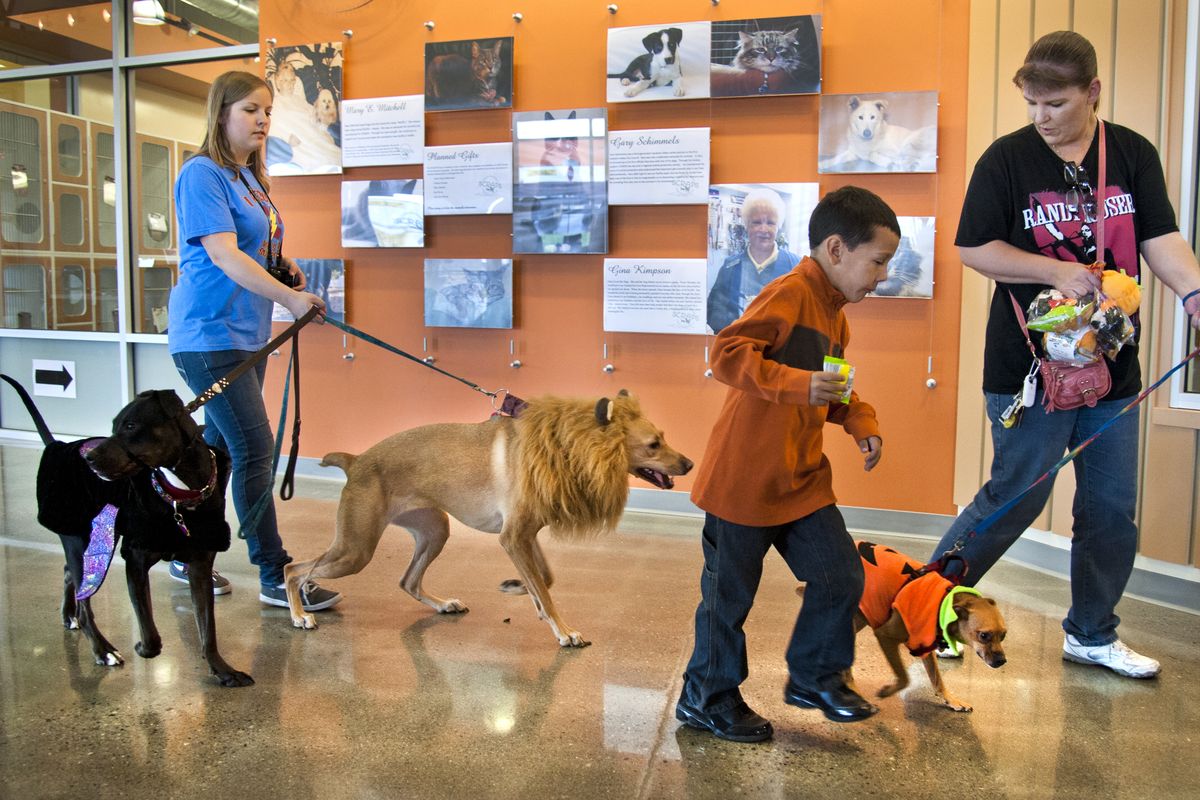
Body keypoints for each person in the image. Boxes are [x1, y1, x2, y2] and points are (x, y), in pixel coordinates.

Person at [930, 31, 1200, 678]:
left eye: (1055, 103)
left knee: (1109, 508)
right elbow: (974, 248)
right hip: (1029, 370)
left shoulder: (1131, 153)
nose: (1040, 116)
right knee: (1015, 496)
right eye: (1031, 103)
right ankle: (926, 604)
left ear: (1093, 93)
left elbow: (1159, 235)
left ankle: (1092, 632)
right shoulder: (1007, 160)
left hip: (1109, 369)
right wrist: (1056, 272)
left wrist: (1193, 291)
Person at [676, 186, 899, 743]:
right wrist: (799, 385)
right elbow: (726, 353)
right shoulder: (789, 293)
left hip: (800, 482)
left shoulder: (836, 316)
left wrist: (860, 422)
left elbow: (833, 386)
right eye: (879, 261)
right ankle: (706, 697)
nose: (883, 275)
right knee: (727, 602)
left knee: (841, 575)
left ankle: (815, 677)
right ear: (836, 249)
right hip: (743, 484)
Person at [167, 71, 342, 613]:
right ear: (221, 113)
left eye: (267, 110)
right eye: (250, 109)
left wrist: (282, 267)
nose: (263, 119)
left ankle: (186, 550)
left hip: (246, 335)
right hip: (207, 334)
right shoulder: (202, 174)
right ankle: (275, 574)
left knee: (216, 451)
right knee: (253, 451)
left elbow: (251, 248)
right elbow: (222, 253)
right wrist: (290, 300)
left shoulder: (250, 177)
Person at [706, 187, 802, 333]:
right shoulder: (730, 267)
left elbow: (806, 316)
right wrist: (732, 324)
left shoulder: (796, 266)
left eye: (770, 223)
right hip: (739, 349)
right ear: (746, 224)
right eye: (756, 222)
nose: (763, 229)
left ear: (779, 226)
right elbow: (714, 312)